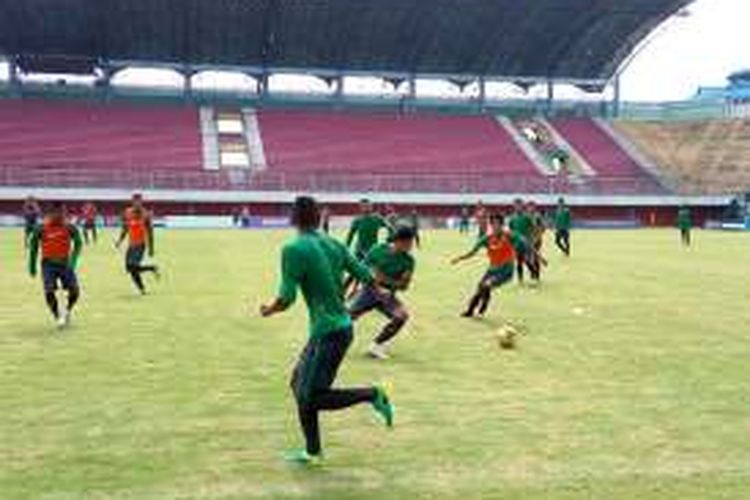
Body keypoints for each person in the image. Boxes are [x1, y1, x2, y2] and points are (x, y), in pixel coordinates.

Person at [260, 196, 395, 465]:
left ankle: (373, 394)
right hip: (337, 328)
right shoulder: (333, 243)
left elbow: (287, 298)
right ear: (319, 217)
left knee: (312, 397)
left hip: (328, 333)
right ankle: (312, 452)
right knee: (298, 385)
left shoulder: (293, 249)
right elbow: (365, 274)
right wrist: (379, 289)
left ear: (293, 218)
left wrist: (270, 309)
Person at [350, 226, 416, 360]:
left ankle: (375, 347)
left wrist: (385, 280)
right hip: (369, 291)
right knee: (345, 318)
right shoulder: (377, 250)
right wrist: (370, 278)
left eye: (411, 243)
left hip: (387, 296)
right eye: (408, 243)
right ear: (398, 241)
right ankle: (328, 344)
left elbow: (404, 285)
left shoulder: (408, 261)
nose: (410, 246)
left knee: (401, 316)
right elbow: (362, 269)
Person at [451, 214, 526, 318]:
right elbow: (473, 251)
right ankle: (471, 310)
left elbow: (522, 241)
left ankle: (479, 308)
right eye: (493, 224)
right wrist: (460, 258)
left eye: (498, 224)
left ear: (502, 225)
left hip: (506, 270)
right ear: (491, 225)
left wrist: (516, 249)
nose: (496, 227)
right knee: (480, 287)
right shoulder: (487, 238)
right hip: (492, 269)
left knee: (486, 285)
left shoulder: (509, 235)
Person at [28, 202, 83, 328]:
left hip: (65, 264)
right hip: (48, 265)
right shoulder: (41, 228)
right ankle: (58, 316)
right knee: (49, 291)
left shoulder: (69, 227)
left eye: (62, 213)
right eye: (57, 213)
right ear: (51, 213)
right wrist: (31, 266)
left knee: (75, 292)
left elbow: (78, 243)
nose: (60, 216)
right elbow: (33, 247)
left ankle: (68, 311)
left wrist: (73, 260)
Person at [116, 194, 159, 294]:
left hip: (140, 245)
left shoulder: (146, 214)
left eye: (139, 202)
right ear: (132, 202)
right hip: (131, 244)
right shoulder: (127, 212)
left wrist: (151, 248)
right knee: (129, 268)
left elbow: (150, 232)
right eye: (135, 202)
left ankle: (142, 288)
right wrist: (120, 241)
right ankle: (151, 270)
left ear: (141, 202)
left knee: (133, 266)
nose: (137, 204)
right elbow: (125, 228)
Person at [508, 199, 537, 284]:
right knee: (519, 261)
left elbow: (533, 228)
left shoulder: (526, 217)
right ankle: (520, 279)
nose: (517, 207)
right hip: (517, 244)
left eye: (519, 205)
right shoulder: (512, 218)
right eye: (516, 206)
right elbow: (511, 231)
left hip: (526, 243)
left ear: (522, 206)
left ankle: (533, 271)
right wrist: (511, 242)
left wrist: (532, 238)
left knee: (527, 260)